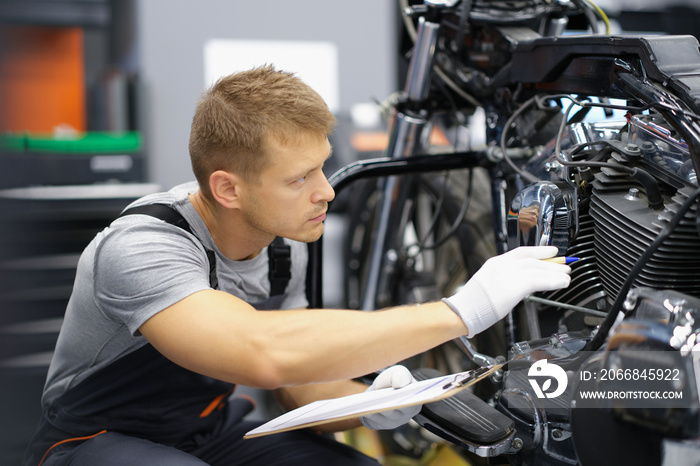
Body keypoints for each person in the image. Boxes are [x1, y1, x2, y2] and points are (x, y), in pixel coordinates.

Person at [23, 65, 572, 466]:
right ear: (227, 188)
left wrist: (374, 404)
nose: (327, 192)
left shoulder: (287, 241)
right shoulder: (143, 245)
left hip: (207, 432)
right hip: (89, 440)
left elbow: (295, 384)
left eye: (323, 168)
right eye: (299, 178)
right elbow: (260, 351)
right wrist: (463, 310)